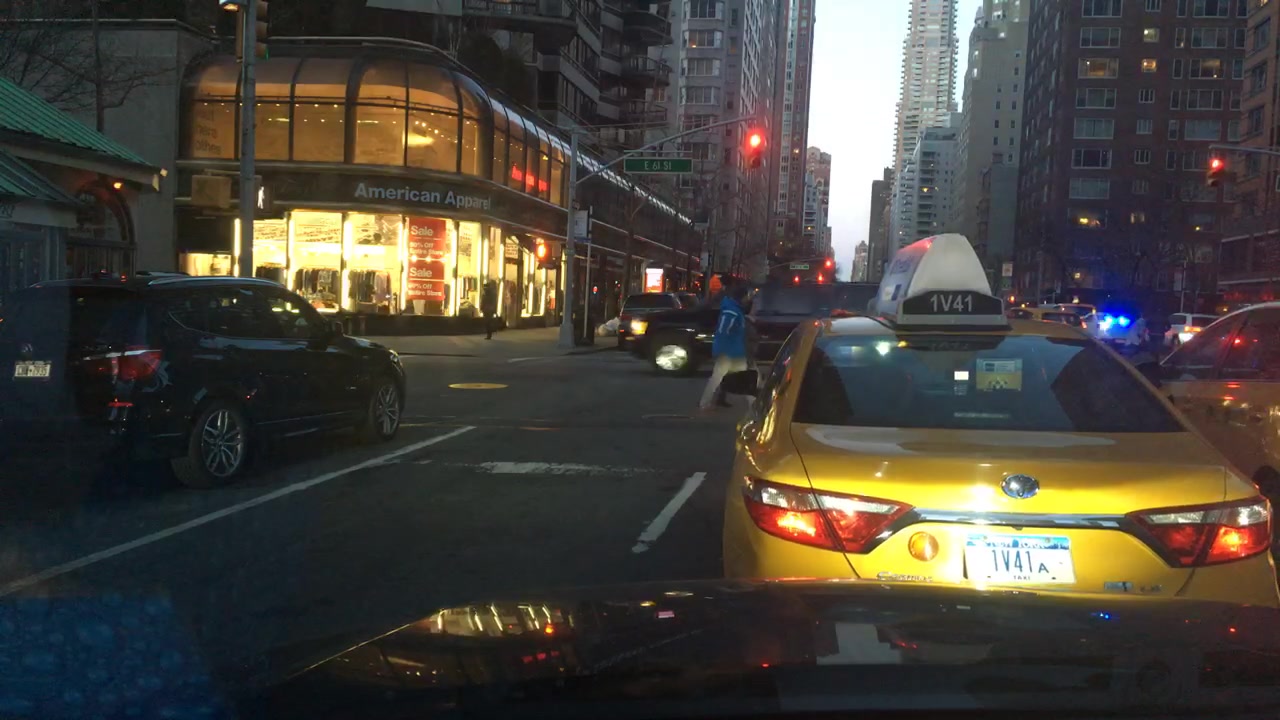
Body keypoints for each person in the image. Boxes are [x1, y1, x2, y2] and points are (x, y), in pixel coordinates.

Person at [700, 283, 751, 410]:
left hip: (732, 350)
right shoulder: (732, 311)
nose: (748, 298)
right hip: (729, 351)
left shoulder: (733, 309)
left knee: (720, 377)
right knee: (722, 377)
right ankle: (705, 403)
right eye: (747, 296)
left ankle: (706, 402)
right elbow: (723, 331)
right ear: (742, 297)